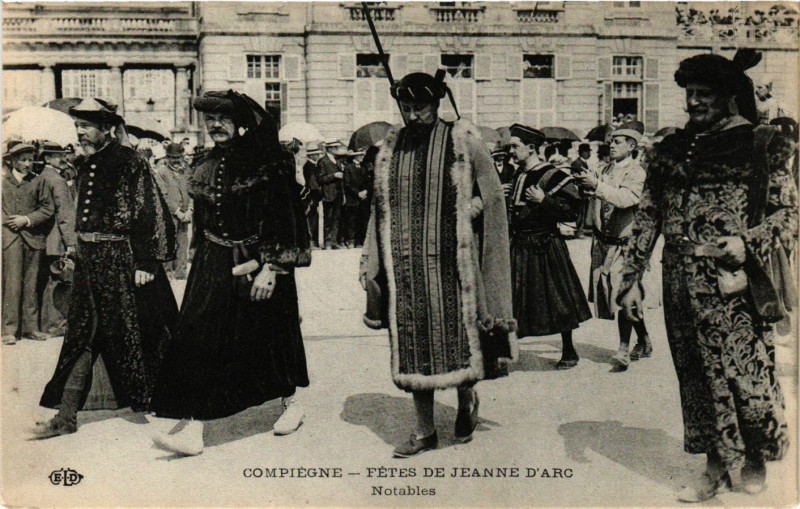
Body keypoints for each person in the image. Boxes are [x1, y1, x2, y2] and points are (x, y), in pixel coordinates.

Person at [618, 51, 796, 502]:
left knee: (746, 374)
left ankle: (754, 457)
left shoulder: (762, 143)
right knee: (696, 378)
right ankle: (714, 465)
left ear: (729, 97)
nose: (694, 102)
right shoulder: (669, 149)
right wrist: (631, 278)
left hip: (732, 283)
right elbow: (648, 215)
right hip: (678, 280)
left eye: (704, 94)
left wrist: (748, 241)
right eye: (690, 94)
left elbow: (790, 214)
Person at [360, 71, 516, 458]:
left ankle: (466, 404)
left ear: (437, 105)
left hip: (454, 264)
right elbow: (379, 208)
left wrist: (469, 210)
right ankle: (424, 429)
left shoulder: (463, 142)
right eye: (407, 108)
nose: (413, 116)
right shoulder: (390, 149)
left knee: (459, 338)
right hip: (406, 267)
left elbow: (493, 196)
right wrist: (369, 257)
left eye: (421, 108)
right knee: (412, 343)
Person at [149, 90, 311, 456]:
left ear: (240, 123)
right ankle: (194, 427)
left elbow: (287, 218)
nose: (215, 126)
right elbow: (205, 217)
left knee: (272, 335)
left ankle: (291, 403)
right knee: (198, 336)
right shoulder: (205, 162)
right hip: (214, 260)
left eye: (222, 119)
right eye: (209, 121)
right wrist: (196, 260)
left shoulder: (269, 161)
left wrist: (272, 267)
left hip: (259, 259)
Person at [34, 98, 178, 438]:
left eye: (86, 127)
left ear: (106, 129)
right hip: (88, 262)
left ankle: (165, 404)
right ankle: (66, 416)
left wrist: (146, 261)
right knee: (81, 334)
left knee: (143, 332)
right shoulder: (85, 165)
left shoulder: (130, 161)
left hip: (123, 261)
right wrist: (76, 249)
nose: (80, 133)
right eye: (78, 127)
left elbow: (150, 212)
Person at [506, 124, 591, 369]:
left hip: (546, 244)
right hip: (520, 244)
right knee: (515, 296)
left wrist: (545, 200)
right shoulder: (518, 174)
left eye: (515, 146)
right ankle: (509, 350)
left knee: (558, 297)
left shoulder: (554, 175)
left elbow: (573, 212)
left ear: (531, 148)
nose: (512, 151)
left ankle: (569, 350)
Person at [575, 122, 650, 371]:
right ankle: (645, 340)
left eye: (618, 141)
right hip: (603, 244)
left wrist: (595, 186)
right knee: (615, 297)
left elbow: (625, 199)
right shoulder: (603, 169)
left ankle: (623, 349)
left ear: (632, 146)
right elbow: (593, 195)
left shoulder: (637, 172)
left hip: (625, 247)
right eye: (612, 140)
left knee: (622, 296)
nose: (612, 144)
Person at [2, 143, 55, 345]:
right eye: (22, 160)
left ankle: (31, 328)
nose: (27, 164)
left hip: (33, 239)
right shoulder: (3, 182)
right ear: (13, 161)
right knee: (12, 283)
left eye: (30, 160)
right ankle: (9, 330)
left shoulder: (38, 181)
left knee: (31, 284)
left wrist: (27, 219)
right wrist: (9, 221)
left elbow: (47, 208)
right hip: (10, 239)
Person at [36, 141, 77, 336]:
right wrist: (71, 242)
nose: (63, 158)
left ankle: (47, 324)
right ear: (47, 158)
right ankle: (55, 326)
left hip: (46, 239)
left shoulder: (42, 177)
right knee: (59, 283)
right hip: (58, 239)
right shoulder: (57, 180)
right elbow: (65, 214)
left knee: (49, 282)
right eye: (57, 155)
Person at [154, 143, 192, 279]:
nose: (176, 161)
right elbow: (163, 196)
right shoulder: (162, 172)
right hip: (169, 214)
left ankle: (181, 272)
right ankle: (167, 273)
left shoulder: (186, 171)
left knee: (183, 242)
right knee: (169, 241)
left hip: (185, 214)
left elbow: (192, 190)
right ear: (167, 157)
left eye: (178, 158)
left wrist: (189, 210)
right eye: (172, 158)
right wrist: (177, 212)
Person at [317, 141, 344, 249]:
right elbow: (321, 178)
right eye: (334, 147)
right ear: (329, 149)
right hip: (328, 193)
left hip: (338, 193)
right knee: (328, 218)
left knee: (336, 218)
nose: (336, 149)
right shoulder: (323, 161)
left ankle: (334, 241)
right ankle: (327, 241)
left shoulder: (337, 160)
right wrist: (334, 175)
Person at [302, 142, 323, 248]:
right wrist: (319, 193)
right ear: (311, 155)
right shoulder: (309, 166)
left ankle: (314, 240)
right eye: (316, 154)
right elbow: (312, 183)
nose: (318, 156)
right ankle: (311, 241)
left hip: (313, 196)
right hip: (311, 196)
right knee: (312, 219)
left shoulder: (313, 165)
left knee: (314, 217)